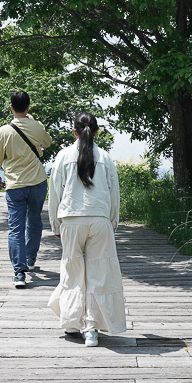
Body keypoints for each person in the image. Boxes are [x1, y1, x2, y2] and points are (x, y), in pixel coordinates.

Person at [47, 112, 125, 347]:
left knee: (72, 270)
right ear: (97, 130)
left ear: (74, 131)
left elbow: (55, 194)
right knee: (99, 274)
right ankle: (91, 329)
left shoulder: (63, 156)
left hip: (71, 219)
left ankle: (72, 322)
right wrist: (112, 223)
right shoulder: (106, 157)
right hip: (99, 219)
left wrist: (55, 224)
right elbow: (114, 194)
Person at [0, 91, 52, 288]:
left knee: (15, 228)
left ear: (11, 107)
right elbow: (48, 142)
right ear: (28, 107)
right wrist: (35, 122)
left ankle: (19, 272)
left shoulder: (4, 131)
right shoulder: (36, 126)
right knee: (34, 221)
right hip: (37, 182)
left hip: (15, 185)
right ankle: (31, 260)